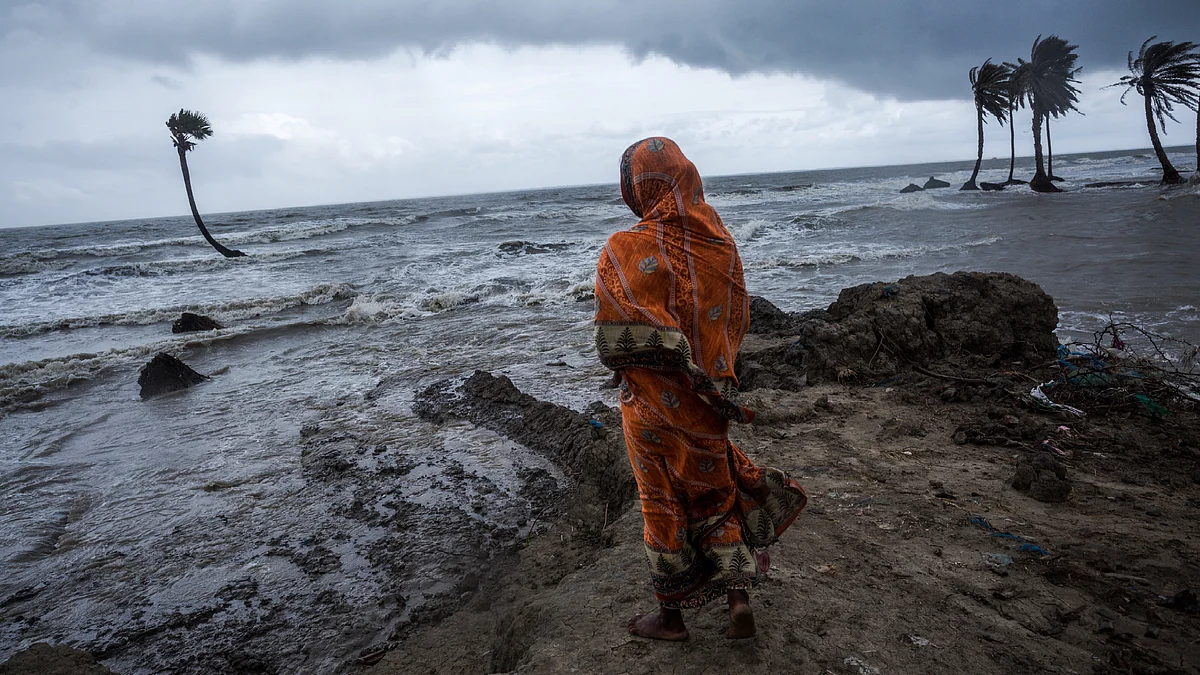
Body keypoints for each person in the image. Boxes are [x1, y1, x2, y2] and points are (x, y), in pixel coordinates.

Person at [593, 137, 807, 640]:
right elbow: (737, 317)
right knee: (715, 490)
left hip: (649, 405)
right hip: (710, 399)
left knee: (661, 499)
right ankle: (737, 598)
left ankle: (670, 618)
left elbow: (612, 340)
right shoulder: (721, 244)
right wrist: (710, 370)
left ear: (637, 187)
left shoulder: (625, 248)